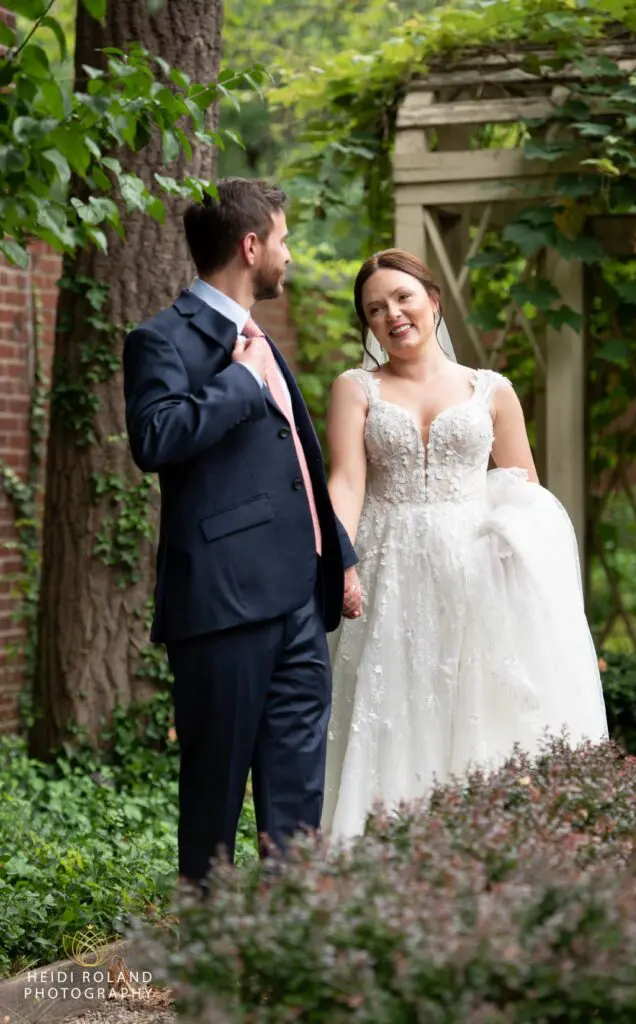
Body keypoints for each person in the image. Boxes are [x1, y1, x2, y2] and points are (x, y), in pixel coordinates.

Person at [322, 248, 608, 841]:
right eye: (375, 309)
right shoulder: (355, 389)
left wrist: (516, 555)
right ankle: (384, 856)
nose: (392, 315)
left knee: (474, 706)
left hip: (472, 572)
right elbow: (346, 481)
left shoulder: (492, 391)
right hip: (386, 566)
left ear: (432, 300)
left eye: (402, 298)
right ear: (369, 324)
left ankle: (479, 854)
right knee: (393, 706)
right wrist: (339, 560)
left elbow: (525, 489)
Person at [123, 178, 361, 883]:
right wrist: (238, 384)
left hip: (297, 601)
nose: (288, 255)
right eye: (282, 239)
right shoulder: (161, 339)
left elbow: (295, 466)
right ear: (251, 245)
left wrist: (338, 557)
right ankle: (204, 951)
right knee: (214, 795)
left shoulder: (261, 340)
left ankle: (286, 948)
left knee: (296, 796)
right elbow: (154, 438)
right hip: (222, 606)